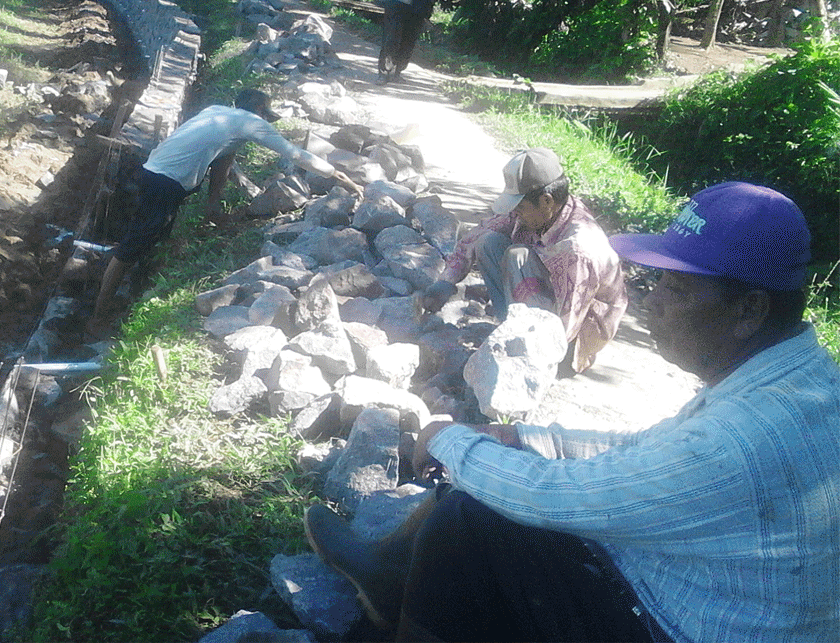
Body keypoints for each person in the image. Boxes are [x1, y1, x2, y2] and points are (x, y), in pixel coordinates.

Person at [307, 182, 840, 641]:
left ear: (749, 308)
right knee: (493, 480)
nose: (652, 303)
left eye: (675, 288)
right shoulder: (800, 382)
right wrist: (521, 437)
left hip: (679, 626)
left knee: (471, 520)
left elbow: (555, 495)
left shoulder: (741, 439)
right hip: (713, 600)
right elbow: (649, 450)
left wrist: (450, 441)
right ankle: (390, 572)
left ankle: (396, 606)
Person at [91, 90, 359, 320]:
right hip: (167, 180)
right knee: (136, 242)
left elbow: (222, 164)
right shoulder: (250, 121)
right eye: (265, 115)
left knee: (152, 234)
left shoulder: (217, 113)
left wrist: (213, 207)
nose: (265, 121)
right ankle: (98, 315)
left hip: (155, 169)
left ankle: (129, 280)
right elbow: (295, 154)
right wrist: (338, 175)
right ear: (257, 109)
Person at [418, 148, 626, 374]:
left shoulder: (578, 249)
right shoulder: (542, 208)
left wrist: (537, 360)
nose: (516, 215)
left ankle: (524, 347)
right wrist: (447, 281)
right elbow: (482, 232)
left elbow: (568, 322)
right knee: (489, 243)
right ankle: (510, 328)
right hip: (549, 291)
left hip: (577, 333)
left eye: (521, 209)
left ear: (546, 201)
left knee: (518, 257)